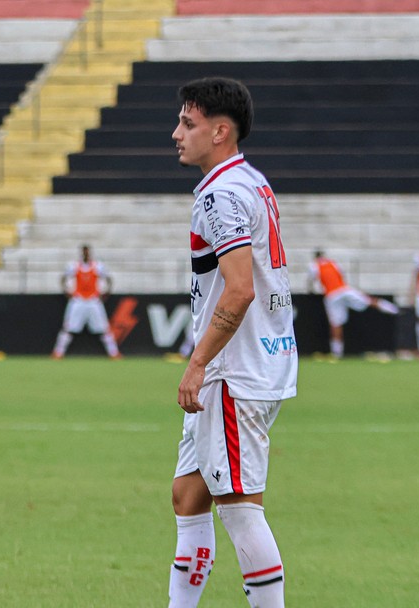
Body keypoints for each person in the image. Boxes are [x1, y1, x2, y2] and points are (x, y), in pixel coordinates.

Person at [167, 76, 297, 608]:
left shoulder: (221, 194)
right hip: (255, 362)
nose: (176, 133)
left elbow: (239, 288)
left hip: (233, 371)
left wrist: (198, 362)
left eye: (187, 123)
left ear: (220, 132)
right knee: (188, 495)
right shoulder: (249, 181)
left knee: (239, 504)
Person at [307, 250, 399, 358]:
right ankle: (394, 310)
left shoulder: (314, 265)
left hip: (332, 294)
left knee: (335, 324)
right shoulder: (333, 262)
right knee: (368, 300)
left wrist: (312, 290)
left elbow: (311, 281)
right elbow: (341, 276)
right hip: (344, 289)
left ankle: (337, 354)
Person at [51, 244, 121, 359]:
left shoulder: (98, 266)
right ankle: (58, 352)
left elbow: (109, 278)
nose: (86, 254)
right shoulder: (74, 266)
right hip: (78, 301)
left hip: (93, 300)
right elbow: (63, 277)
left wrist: (106, 292)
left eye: (87, 252)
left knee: (104, 328)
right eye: (84, 252)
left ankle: (114, 353)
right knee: (68, 327)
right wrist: (66, 291)